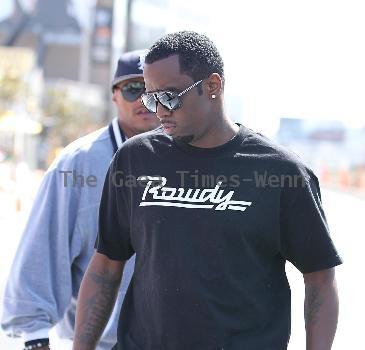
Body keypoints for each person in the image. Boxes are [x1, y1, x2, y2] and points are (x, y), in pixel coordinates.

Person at [73, 31, 343, 350]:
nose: (159, 110)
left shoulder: (281, 172)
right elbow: (106, 265)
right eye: (150, 97)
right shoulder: (135, 160)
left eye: (170, 97)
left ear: (212, 86)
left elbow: (320, 280)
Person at [1, 50, 159, 350]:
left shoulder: (187, 158)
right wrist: (34, 338)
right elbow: (42, 251)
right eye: (132, 88)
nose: (143, 100)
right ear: (114, 95)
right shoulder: (77, 163)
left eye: (153, 91)